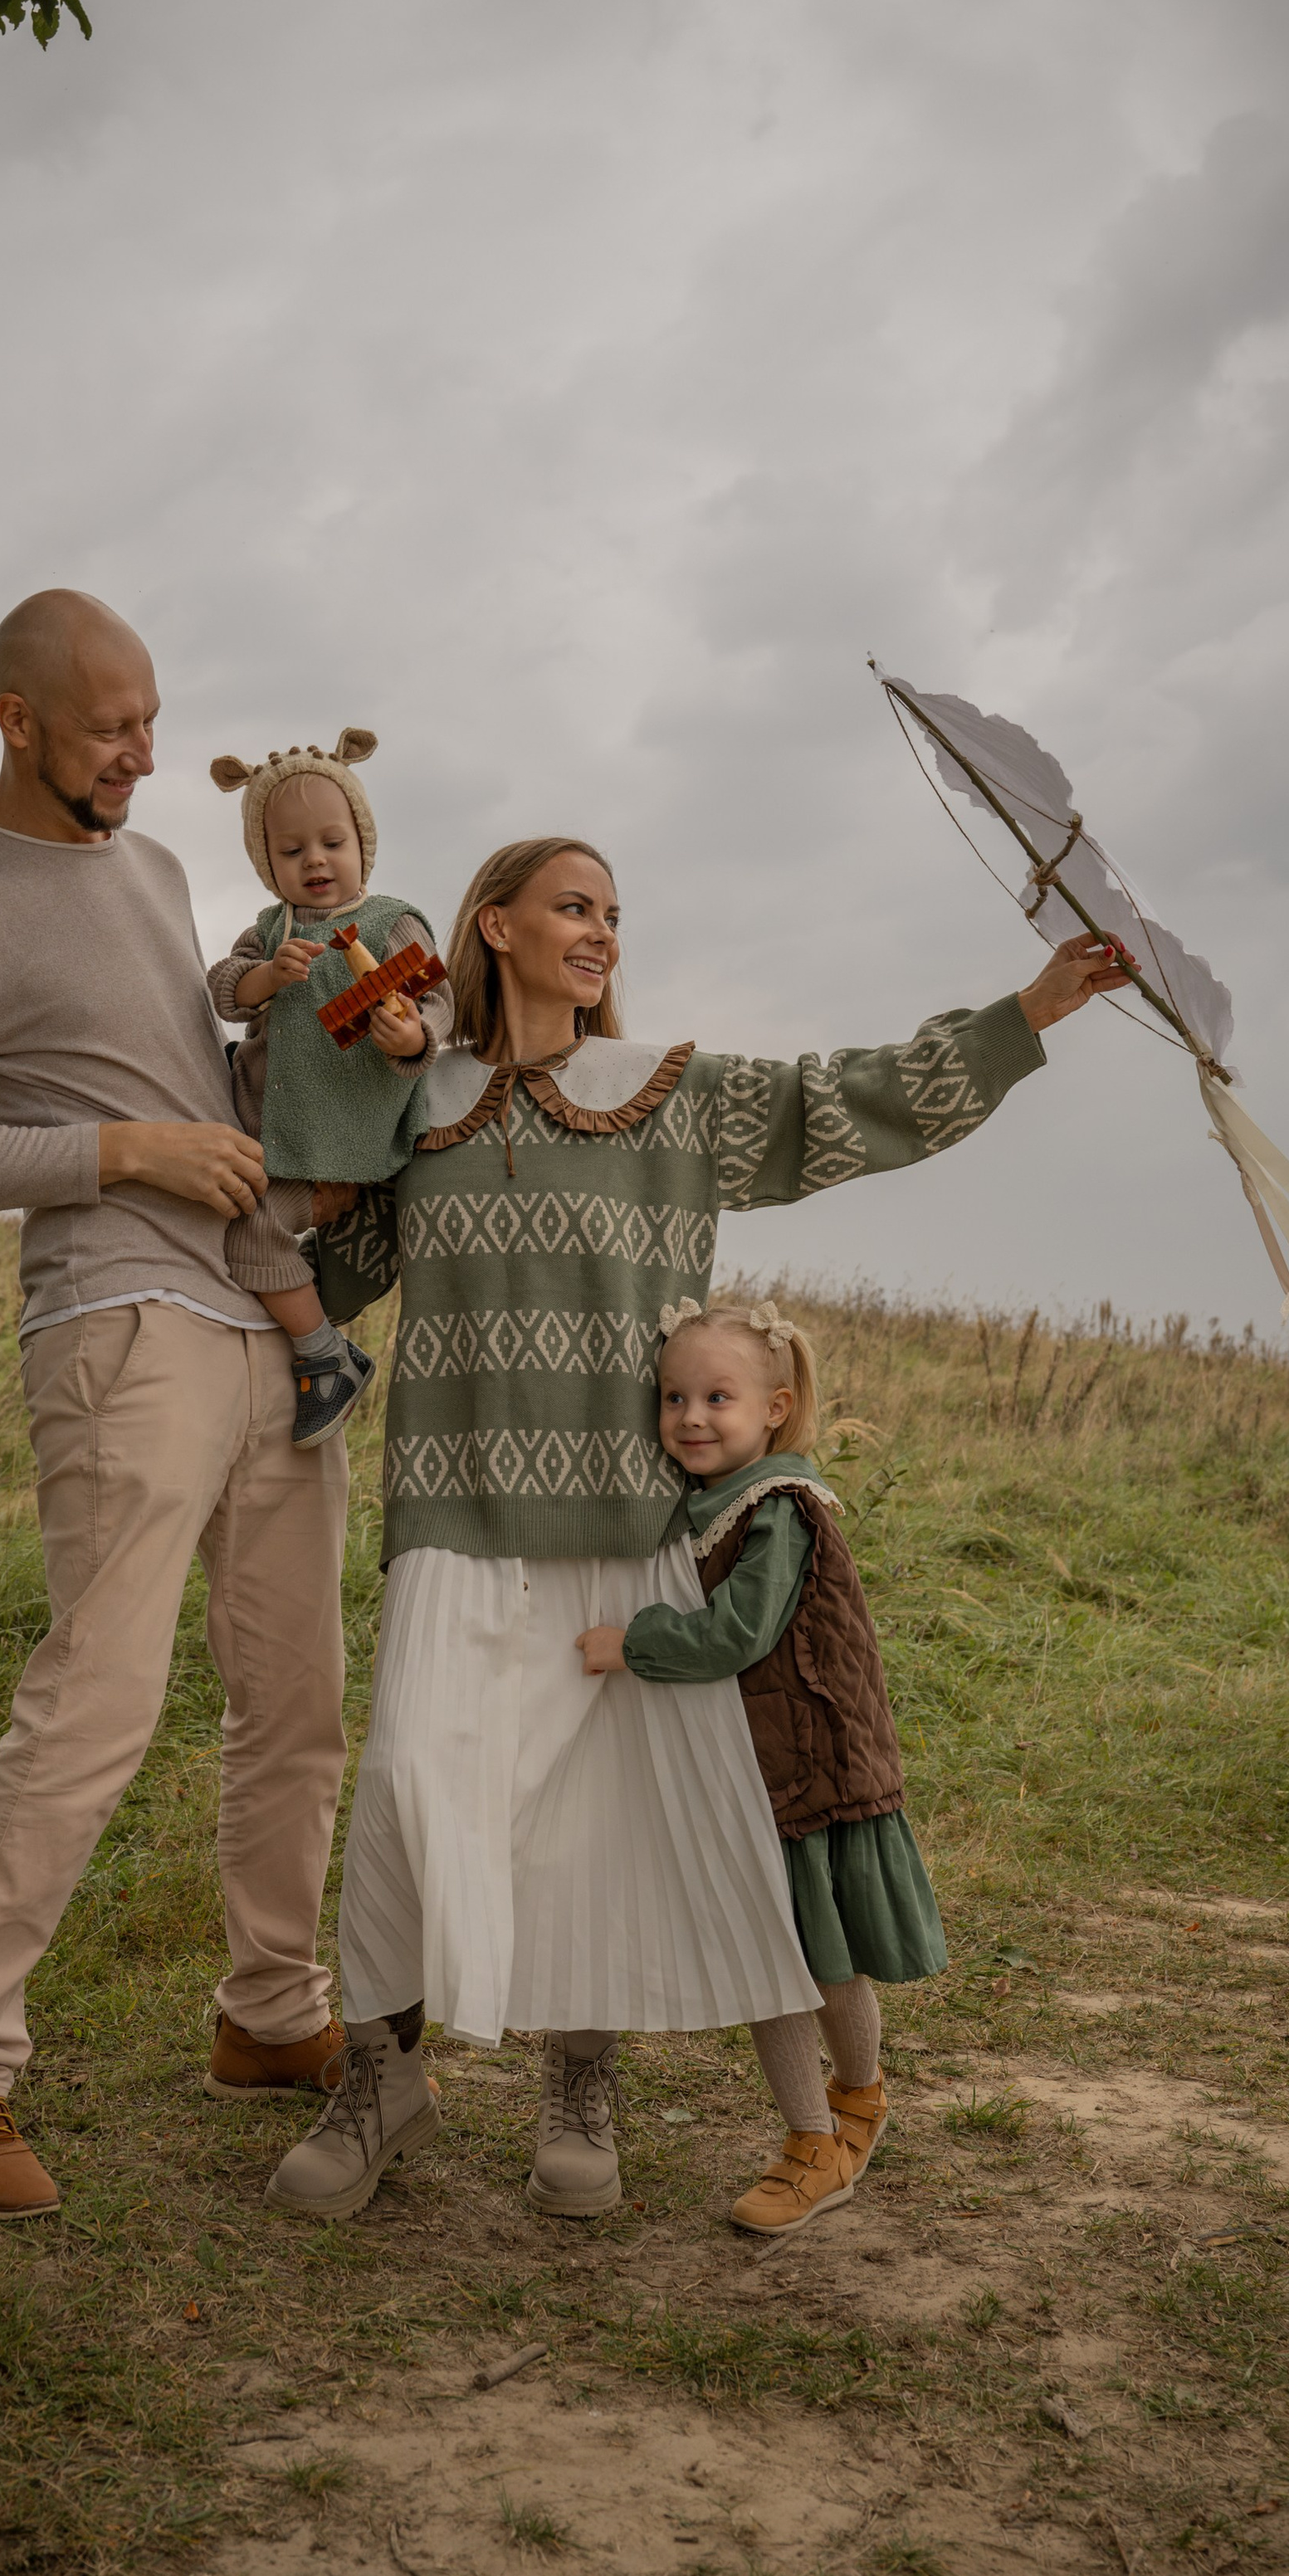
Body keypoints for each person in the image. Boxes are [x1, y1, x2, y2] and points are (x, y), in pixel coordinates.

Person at [260, 833, 1127, 2220]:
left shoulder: (672, 1097)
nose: (601, 931)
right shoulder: (416, 1101)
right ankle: (384, 2079)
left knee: (587, 1818)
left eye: (613, 912)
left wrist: (1026, 1016)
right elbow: (324, 1269)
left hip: (623, 1515)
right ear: (491, 926)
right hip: (457, 1508)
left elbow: (850, 1100)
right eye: (572, 906)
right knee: (412, 1795)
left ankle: (578, 2079)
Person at [0, 589, 357, 2224]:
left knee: (293, 1704)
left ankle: (268, 2015)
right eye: (113, 729)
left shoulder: (146, 867)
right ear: (20, 721)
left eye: (150, 718)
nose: (146, 755)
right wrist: (121, 1151)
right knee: (98, 1702)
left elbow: (195, 1055)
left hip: (262, 1323)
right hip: (117, 1320)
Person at [581, 1299, 943, 2235]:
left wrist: (635, 1643)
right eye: (672, 1397)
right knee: (770, 1957)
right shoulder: (710, 1502)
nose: (690, 1417)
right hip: (758, 1777)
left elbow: (740, 1632)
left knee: (813, 1959)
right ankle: (818, 2127)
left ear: (775, 1408)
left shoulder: (777, 1508)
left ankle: (843, 2116)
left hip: (810, 1769)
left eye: (716, 1398)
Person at [202, 728, 451, 1448]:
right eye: (290, 850)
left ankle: (325, 1358)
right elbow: (225, 991)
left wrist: (412, 1037)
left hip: (344, 1137)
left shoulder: (389, 923)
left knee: (252, 1234)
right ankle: (306, 1331)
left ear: (361, 845)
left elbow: (438, 1005)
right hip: (272, 1128)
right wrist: (267, 977)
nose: (314, 861)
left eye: (332, 842)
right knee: (238, 1228)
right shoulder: (271, 931)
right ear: (266, 862)